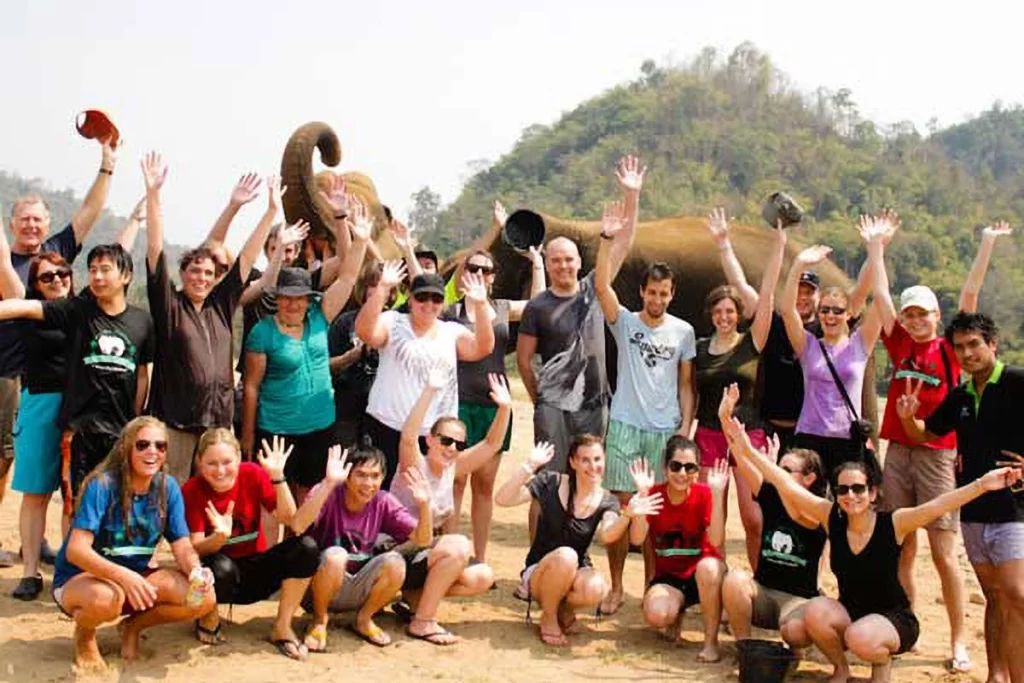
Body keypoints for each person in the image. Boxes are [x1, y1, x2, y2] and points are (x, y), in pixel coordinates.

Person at [724, 411, 1022, 683]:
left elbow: (938, 505)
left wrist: (982, 484)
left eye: (858, 489)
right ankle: (842, 670)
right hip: (851, 613)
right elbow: (784, 483)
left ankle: (882, 666)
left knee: (859, 637)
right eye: (842, 489)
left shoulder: (894, 523)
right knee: (814, 611)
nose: (850, 496)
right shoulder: (831, 517)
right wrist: (747, 449)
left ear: (873, 493)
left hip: (892, 619)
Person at [874, 216, 1010, 671]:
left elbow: (970, 297)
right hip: (898, 450)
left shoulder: (951, 349)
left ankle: (958, 640)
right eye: (909, 314)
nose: (913, 321)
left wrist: (986, 244)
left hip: (937, 455)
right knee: (901, 546)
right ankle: (904, 625)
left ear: (937, 317)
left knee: (942, 550)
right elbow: (881, 296)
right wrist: (876, 249)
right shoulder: (898, 345)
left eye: (922, 314)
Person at [897, 311, 1024, 683]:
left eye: (975, 344)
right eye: (960, 348)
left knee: (1016, 593)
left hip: (1016, 507)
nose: (968, 353)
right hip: (974, 510)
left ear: (992, 345)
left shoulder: (1018, 382)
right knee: (994, 597)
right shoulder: (961, 395)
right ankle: (996, 674)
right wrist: (907, 418)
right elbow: (924, 433)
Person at [142, 153, 281, 482]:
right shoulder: (169, 305)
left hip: (216, 424)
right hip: (174, 424)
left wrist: (271, 211)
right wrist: (153, 194)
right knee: (168, 494)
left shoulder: (220, 305)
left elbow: (246, 258)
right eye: (195, 271)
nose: (201, 278)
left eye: (208, 273)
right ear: (183, 273)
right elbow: (155, 249)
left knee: (211, 498)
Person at [0, 138, 116, 524]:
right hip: (8, 373)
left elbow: (90, 211)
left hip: (55, 381)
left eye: (38, 219)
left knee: (49, 470)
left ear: (47, 223)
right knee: (4, 460)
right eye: (24, 219)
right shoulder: (8, 260)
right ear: (12, 223)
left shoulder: (55, 253)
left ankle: (42, 542)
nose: (31, 225)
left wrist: (107, 166)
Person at [592, 200, 696, 614]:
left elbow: (686, 385)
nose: (657, 299)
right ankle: (617, 587)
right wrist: (606, 239)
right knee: (621, 509)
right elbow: (601, 287)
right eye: (651, 292)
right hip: (623, 426)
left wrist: (684, 429)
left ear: (672, 294)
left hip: (663, 430)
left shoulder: (683, 331)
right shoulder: (627, 323)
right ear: (642, 292)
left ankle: (653, 585)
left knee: (653, 514)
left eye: (664, 293)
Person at [51, 416, 216, 670]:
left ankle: (132, 627)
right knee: (105, 598)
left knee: (202, 599)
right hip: (83, 580)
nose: (152, 452)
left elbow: (182, 545)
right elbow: (76, 550)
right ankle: (85, 635)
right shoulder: (103, 485)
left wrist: (195, 570)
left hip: (136, 579)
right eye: (143, 445)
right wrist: (124, 576)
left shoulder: (167, 487)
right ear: (126, 447)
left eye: (160, 446)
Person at [710, 206, 874, 457]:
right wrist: (723, 244)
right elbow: (739, 284)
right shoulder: (774, 322)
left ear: (819, 297)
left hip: (810, 430)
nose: (803, 297)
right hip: (768, 426)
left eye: (809, 292)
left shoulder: (827, 327)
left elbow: (860, 293)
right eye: (798, 290)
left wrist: (875, 251)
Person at [516, 157, 645, 470]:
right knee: (549, 479)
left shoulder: (595, 289)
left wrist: (632, 195)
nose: (563, 266)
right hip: (553, 406)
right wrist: (542, 401)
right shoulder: (538, 306)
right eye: (556, 260)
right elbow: (523, 360)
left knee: (589, 477)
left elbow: (624, 242)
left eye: (569, 260)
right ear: (547, 265)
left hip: (594, 404)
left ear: (578, 262)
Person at [241, 199, 372, 504]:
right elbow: (250, 386)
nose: (293, 303)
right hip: (275, 427)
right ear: (278, 298)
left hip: (319, 424)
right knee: (275, 498)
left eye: (300, 298)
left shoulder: (319, 317)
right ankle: (276, 552)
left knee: (308, 493)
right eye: (287, 297)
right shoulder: (263, 332)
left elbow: (348, 277)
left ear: (308, 299)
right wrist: (247, 435)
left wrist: (362, 240)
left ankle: (303, 548)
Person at [0, 243, 155, 499]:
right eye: (92, 270)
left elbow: (141, 374)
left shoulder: (142, 321)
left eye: (105, 269)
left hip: (120, 431)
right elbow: (25, 307)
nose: (97, 276)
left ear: (126, 276)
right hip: (81, 432)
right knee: (76, 501)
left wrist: (134, 419)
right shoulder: (77, 310)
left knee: (116, 499)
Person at [495, 435, 662, 647]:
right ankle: (549, 617)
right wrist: (530, 465)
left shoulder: (607, 500)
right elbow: (503, 499)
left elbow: (610, 534)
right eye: (585, 460)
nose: (593, 466)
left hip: (574, 572)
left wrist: (630, 513)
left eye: (597, 459)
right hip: (539, 571)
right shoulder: (550, 482)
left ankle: (563, 609)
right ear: (573, 462)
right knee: (566, 555)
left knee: (597, 587)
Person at [444, 224, 545, 564]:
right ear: (464, 273)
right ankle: (449, 554)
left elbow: (537, 304)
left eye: (485, 270)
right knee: (455, 483)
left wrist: (537, 264)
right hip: (457, 407)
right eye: (472, 268)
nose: (478, 274)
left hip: (495, 406)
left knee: (483, 487)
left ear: (492, 278)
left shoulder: (501, 308)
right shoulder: (449, 312)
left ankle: (479, 557)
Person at [386, 368, 510, 641]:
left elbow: (492, 444)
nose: (452, 447)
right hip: (391, 554)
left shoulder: (454, 467)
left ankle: (416, 596)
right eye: (445, 440)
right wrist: (429, 391)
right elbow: (407, 436)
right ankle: (423, 621)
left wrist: (504, 408)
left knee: (483, 576)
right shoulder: (414, 464)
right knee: (458, 546)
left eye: (458, 443)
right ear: (430, 439)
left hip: (419, 557)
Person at [356, 258, 494, 490]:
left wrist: (480, 304)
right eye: (422, 297)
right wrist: (383, 288)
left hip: (432, 435)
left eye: (436, 298)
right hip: (388, 427)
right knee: (380, 493)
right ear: (410, 299)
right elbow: (366, 332)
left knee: (425, 498)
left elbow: (483, 347)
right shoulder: (393, 322)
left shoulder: (451, 332)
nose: (429, 304)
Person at [692, 214, 783, 569]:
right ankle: (716, 577)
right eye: (718, 311)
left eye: (730, 311)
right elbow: (692, 395)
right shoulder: (699, 349)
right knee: (712, 513)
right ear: (711, 315)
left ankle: (760, 580)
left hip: (747, 436)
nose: (725, 317)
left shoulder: (752, 342)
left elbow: (769, 296)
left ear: (738, 314)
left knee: (753, 517)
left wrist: (778, 246)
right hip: (709, 436)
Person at [182, 431, 320, 660]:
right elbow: (195, 549)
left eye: (227, 462)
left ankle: (282, 626)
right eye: (211, 463)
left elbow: (292, 521)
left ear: (239, 458)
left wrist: (277, 477)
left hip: (254, 570)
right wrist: (219, 537)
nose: (220, 471)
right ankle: (208, 615)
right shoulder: (192, 489)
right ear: (199, 462)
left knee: (305, 547)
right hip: (219, 577)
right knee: (218, 566)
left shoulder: (252, 474)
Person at [718, 384, 828, 652]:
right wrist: (724, 418)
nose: (780, 473)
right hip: (764, 594)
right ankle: (746, 650)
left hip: (798, 602)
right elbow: (740, 457)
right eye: (780, 468)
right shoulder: (771, 495)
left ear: (809, 478)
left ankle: (795, 653)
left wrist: (754, 454)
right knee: (734, 581)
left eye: (788, 470)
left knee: (795, 632)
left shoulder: (817, 509)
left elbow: (755, 460)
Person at [292, 444, 433, 650]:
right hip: (317, 588)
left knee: (396, 563)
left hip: (358, 588)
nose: (368, 483)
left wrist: (424, 505)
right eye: (361, 475)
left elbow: (423, 540)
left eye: (375, 476)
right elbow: (297, 525)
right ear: (347, 476)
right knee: (336, 556)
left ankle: (364, 619)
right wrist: (328, 483)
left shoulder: (384, 501)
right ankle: (320, 620)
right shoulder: (328, 492)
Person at [779, 220, 887, 481]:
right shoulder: (808, 345)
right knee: (805, 509)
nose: (830, 316)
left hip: (847, 440)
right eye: (825, 310)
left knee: (846, 505)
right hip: (809, 438)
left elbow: (882, 301)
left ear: (848, 314)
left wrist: (876, 249)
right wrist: (798, 265)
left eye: (837, 311)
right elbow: (787, 310)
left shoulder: (859, 345)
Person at [0, 247, 73, 597]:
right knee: (37, 493)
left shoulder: (85, 309)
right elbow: (9, 295)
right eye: (47, 277)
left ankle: (72, 569)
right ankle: (30, 572)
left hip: (80, 409)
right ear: (35, 284)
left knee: (75, 494)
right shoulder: (30, 309)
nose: (57, 281)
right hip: (40, 405)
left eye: (62, 274)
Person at [629, 438, 728, 661]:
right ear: (665, 468)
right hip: (669, 579)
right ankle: (678, 610)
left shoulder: (705, 494)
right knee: (657, 615)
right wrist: (643, 497)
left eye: (689, 467)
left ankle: (710, 642)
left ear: (697, 471)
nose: (682, 473)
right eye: (675, 466)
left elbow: (716, 538)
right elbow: (636, 539)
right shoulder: (653, 494)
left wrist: (718, 495)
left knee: (709, 568)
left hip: (702, 575)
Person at [328, 266, 386, 448]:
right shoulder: (345, 322)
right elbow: (325, 365)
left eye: (383, 285)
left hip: (381, 412)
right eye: (373, 285)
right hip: (347, 409)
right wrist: (350, 357)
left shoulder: (395, 321)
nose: (378, 290)